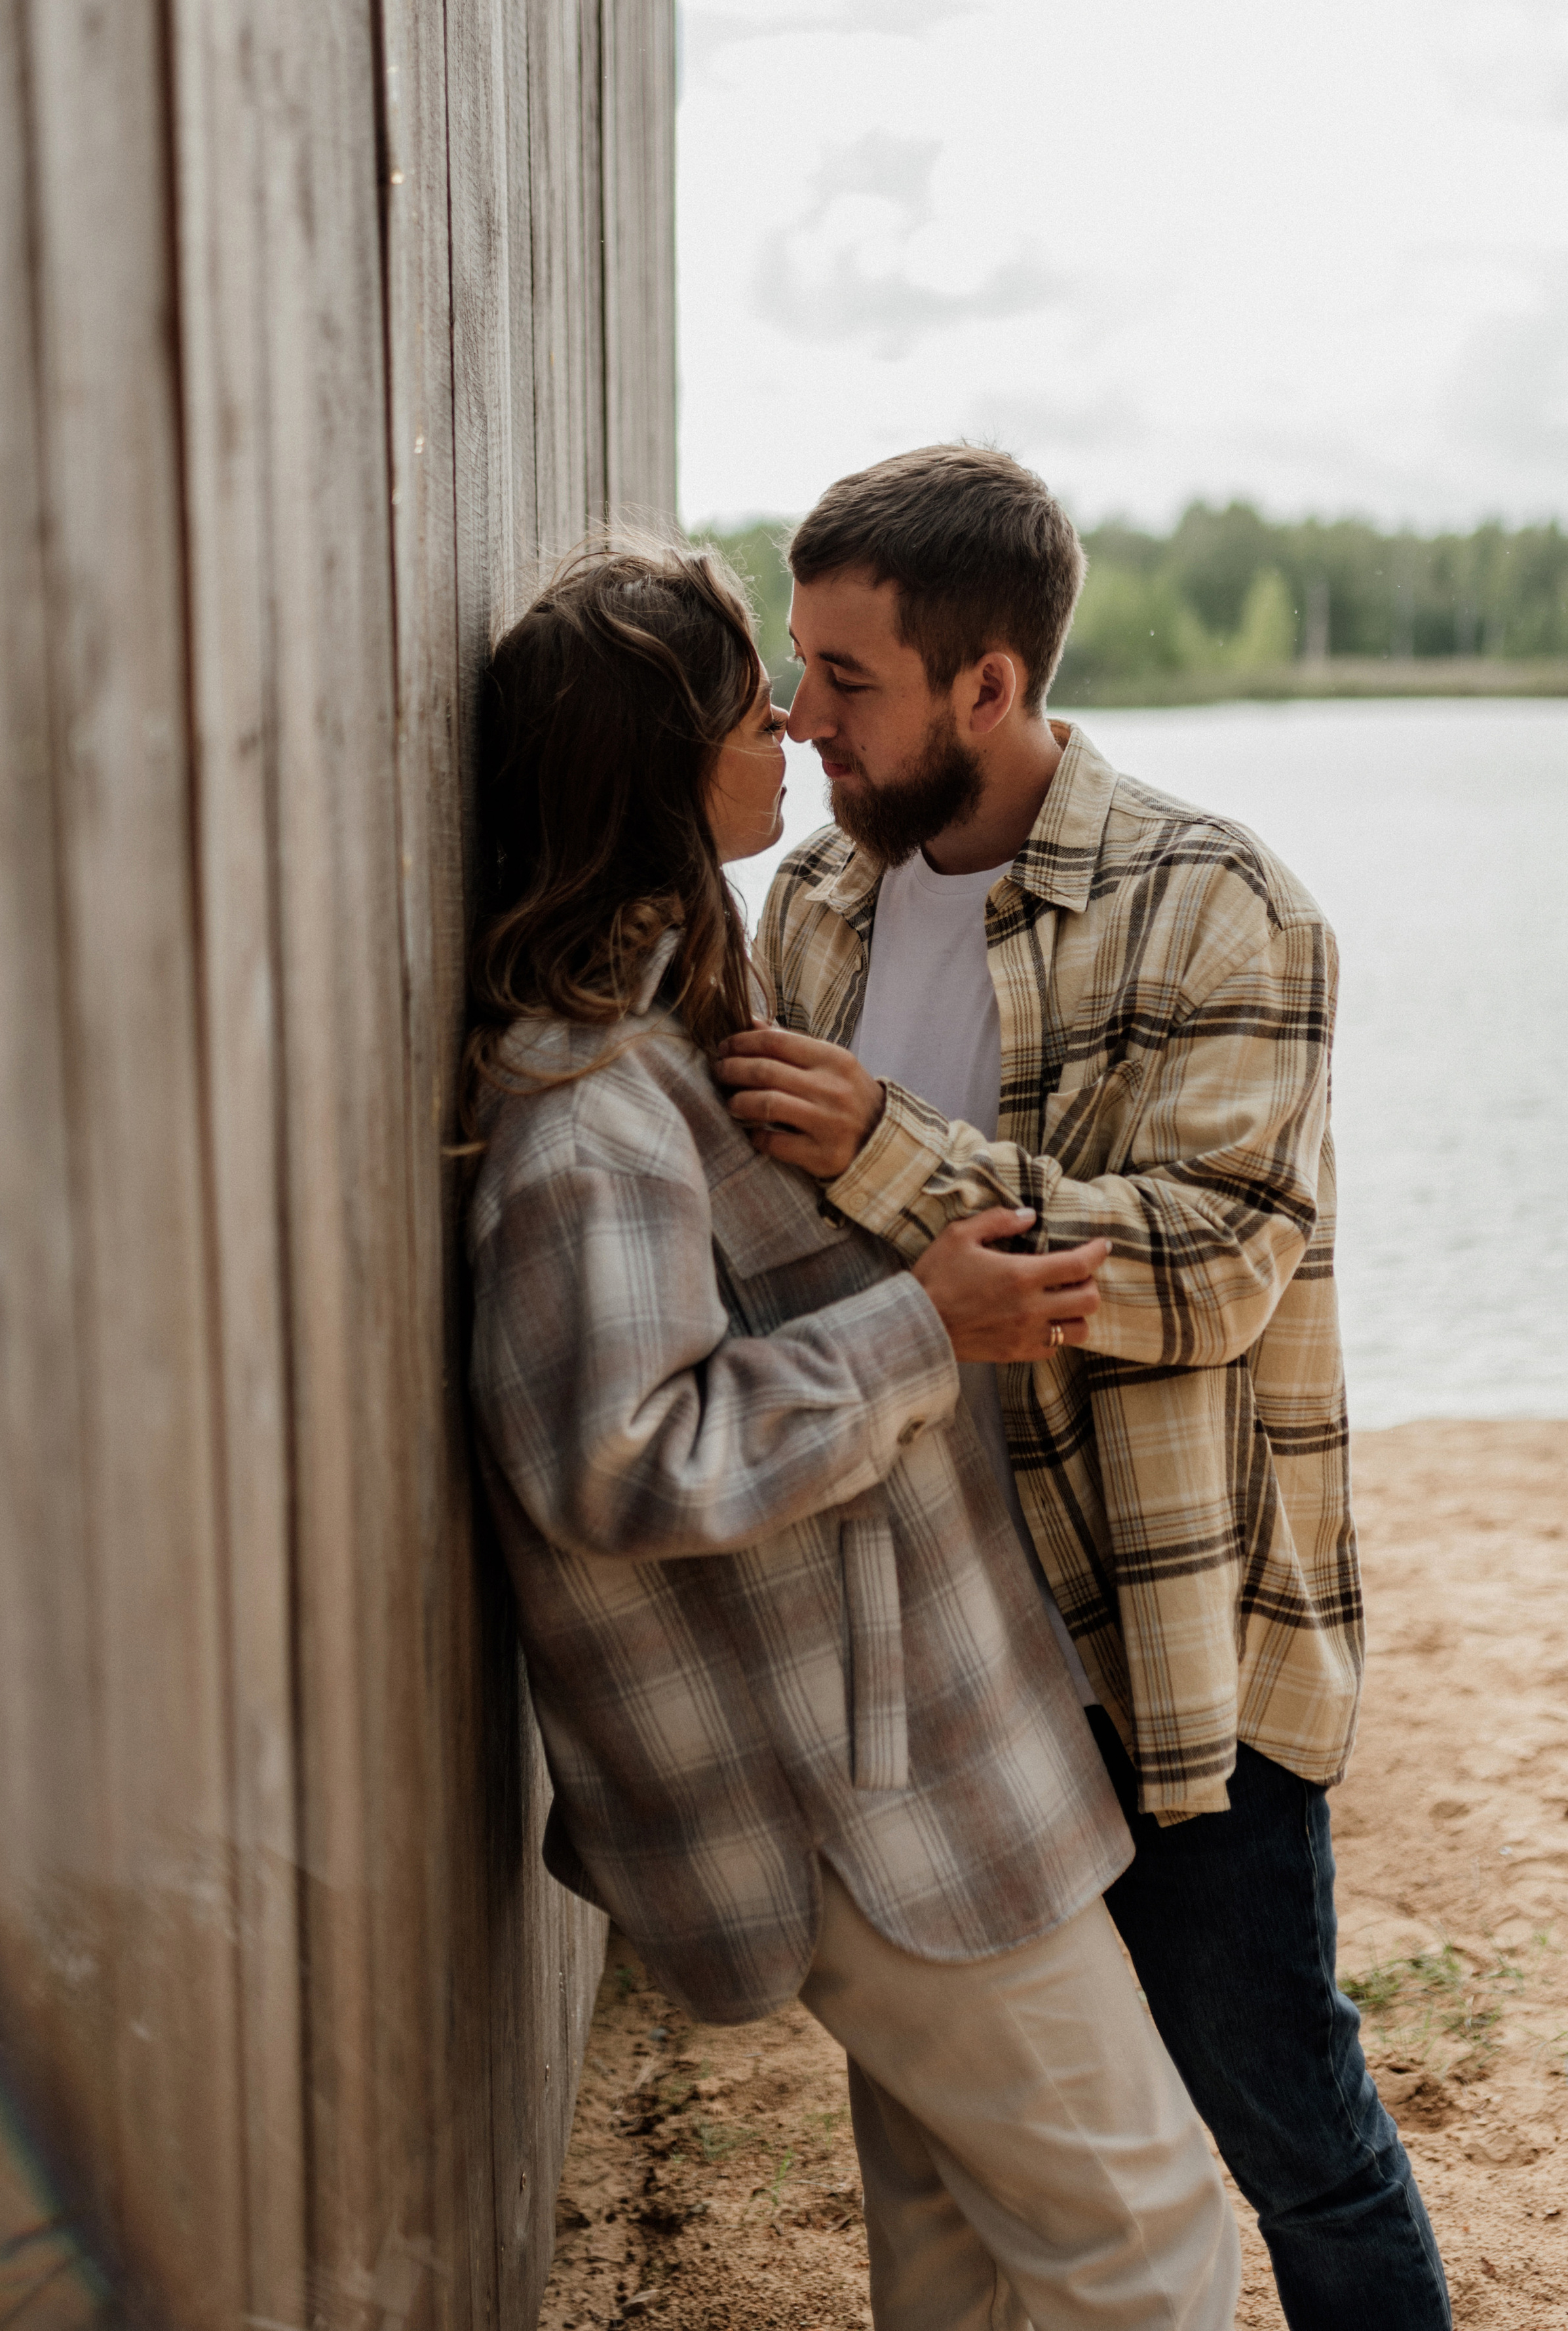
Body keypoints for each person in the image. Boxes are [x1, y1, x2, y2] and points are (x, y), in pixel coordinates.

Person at [463, 539, 1240, 2330]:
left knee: (963, 2239)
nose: (799, 728)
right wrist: (928, 1320)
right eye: (758, 707)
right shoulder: (589, 1108)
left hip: (903, 1747)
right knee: (1143, 2233)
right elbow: (622, 1459)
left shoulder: (674, 1012)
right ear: (668, 770)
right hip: (862, 1794)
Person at [719, 444, 1449, 2330]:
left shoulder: (1225, 906)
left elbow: (1206, 1265)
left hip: (1168, 1656)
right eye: (796, 670)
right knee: (966, 2161)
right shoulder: (811, 908)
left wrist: (893, 1145)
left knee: (1292, 2135)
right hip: (930, 1671)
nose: (804, 723)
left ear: (993, 683)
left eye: (847, 680)